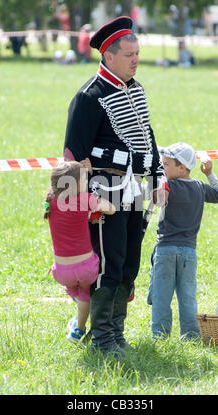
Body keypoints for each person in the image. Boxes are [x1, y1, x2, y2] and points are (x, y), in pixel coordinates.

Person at [63, 16, 168, 355]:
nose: (136, 60)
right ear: (108, 55)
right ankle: (102, 338)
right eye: (129, 55)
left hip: (134, 189)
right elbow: (72, 156)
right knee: (108, 264)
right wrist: (74, 206)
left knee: (127, 263)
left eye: (138, 53)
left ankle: (116, 333)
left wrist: (157, 178)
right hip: (103, 193)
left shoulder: (136, 90)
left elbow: (147, 140)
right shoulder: (88, 96)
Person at [147, 143, 218, 340]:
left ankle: (160, 336)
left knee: (161, 297)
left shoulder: (168, 186)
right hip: (189, 253)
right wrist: (209, 174)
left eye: (166, 164)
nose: (163, 168)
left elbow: (150, 196)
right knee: (188, 296)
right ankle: (191, 336)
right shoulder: (199, 187)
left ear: (182, 167)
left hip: (165, 250)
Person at [45, 159, 115, 343]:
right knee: (85, 292)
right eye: (85, 181)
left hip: (61, 271)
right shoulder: (85, 199)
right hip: (87, 268)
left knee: (76, 291)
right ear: (76, 184)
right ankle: (80, 328)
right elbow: (111, 209)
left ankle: (79, 309)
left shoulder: (51, 202)